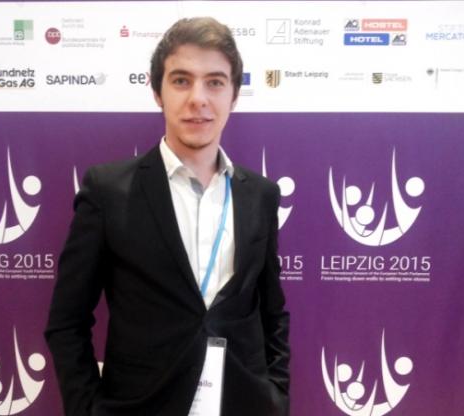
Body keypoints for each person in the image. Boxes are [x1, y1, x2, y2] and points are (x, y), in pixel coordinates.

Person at [45, 17, 290, 416]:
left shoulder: (260, 195)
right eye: (181, 80)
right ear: (157, 91)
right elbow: (66, 322)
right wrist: (88, 409)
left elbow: (272, 313)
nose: (198, 98)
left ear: (234, 95)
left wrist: (275, 396)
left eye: (215, 82)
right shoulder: (108, 190)